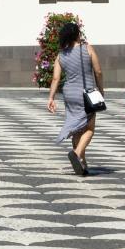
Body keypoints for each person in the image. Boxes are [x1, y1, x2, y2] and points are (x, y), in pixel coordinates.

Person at [47, 20, 104, 176]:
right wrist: (101, 90)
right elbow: (98, 72)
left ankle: (83, 164)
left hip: (69, 95)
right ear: (78, 34)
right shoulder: (87, 49)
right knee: (90, 129)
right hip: (86, 93)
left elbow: (55, 79)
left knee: (77, 127)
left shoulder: (61, 55)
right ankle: (77, 153)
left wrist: (51, 98)